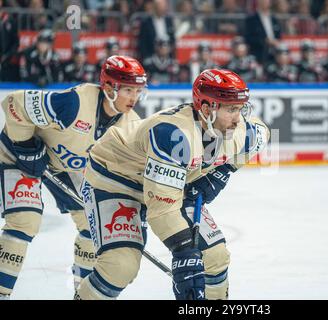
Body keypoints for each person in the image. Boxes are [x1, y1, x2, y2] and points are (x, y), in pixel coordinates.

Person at [75, 69, 270, 300]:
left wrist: (222, 173)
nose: (238, 118)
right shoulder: (173, 134)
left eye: (240, 108)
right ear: (207, 109)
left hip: (171, 185)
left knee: (215, 257)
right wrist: (184, 252)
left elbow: (262, 135)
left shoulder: (239, 130)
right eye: (230, 109)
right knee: (119, 266)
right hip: (116, 182)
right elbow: (163, 209)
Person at [0, 55, 147, 299]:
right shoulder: (75, 102)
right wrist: (25, 146)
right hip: (18, 153)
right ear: (109, 87)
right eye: (128, 90)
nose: (134, 98)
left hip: (66, 167)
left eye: (138, 91)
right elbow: (14, 103)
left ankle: (82, 292)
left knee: (93, 226)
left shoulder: (130, 127)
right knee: (25, 219)